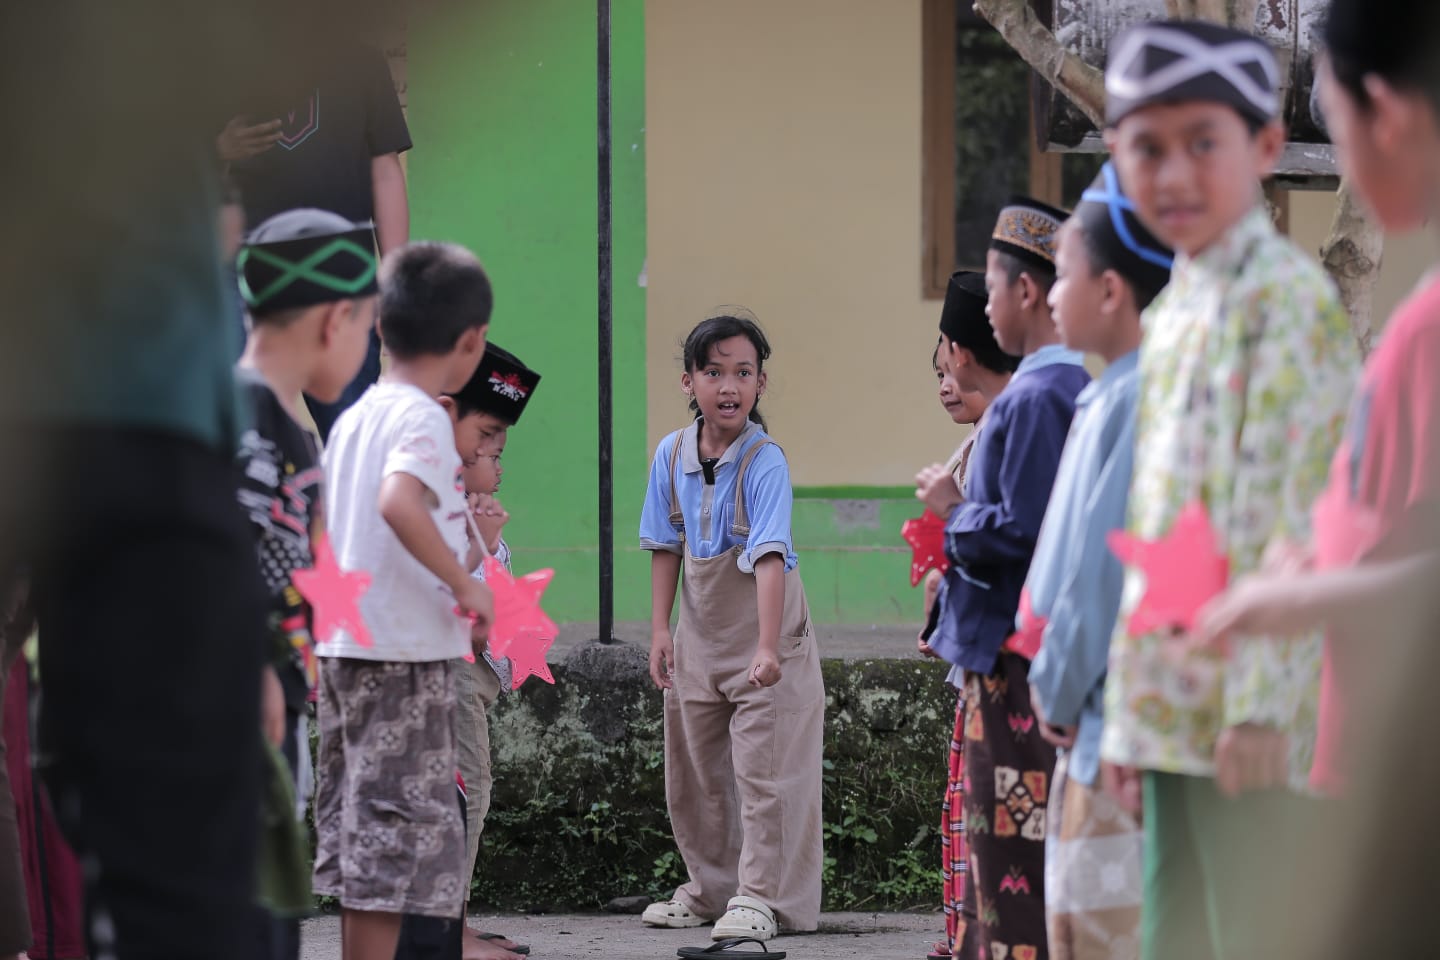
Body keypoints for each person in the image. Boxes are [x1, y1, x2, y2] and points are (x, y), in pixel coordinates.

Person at [1096, 20, 1359, 960]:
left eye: (1202, 143)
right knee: (1174, 937)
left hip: (1250, 714)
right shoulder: (1174, 308)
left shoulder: (1285, 304)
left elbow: (1294, 518)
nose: (1172, 174)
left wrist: (1259, 702)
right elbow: (1156, 528)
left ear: (1264, 146)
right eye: (1146, 147)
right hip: (1171, 707)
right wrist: (1129, 715)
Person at [311, 242, 495, 960]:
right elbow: (397, 503)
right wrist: (464, 582)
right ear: (471, 341)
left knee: (369, 848)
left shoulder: (356, 415)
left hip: (347, 649)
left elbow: (335, 522)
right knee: (401, 841)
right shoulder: (420, 417)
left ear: (379, 327)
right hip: (399, 658)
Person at [918, 199, 1090, 960]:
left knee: (1012, 864)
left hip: (1015, 667)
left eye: (991, 289)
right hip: (1011, 662)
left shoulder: (1037, 397)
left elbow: (1022, 529)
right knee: (998, 857)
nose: (986, 310)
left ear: (1026, 293)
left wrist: (953, 514)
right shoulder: (1051, 392)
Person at [1021, 164, 1173, 960]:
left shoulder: (1131, 400)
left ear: (1111, 290)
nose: (1049, 292)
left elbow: (1098, 573)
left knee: (1093, 935)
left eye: (1065, 273)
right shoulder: (1114, 391)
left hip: (1102, 723)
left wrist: (1058, 681)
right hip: (1096, 715)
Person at [639, 314, 825, 943]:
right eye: (713, 371)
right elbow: (666, 545)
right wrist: (661, 631)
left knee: (765, 772)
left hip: (765, 635)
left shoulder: (765, 460)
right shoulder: (670, 455)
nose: (728, 385)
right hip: (699, 634)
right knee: (696, 773)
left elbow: (770, 556)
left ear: (761, 383)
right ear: (688, 381)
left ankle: (760, 897)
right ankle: (710, 889)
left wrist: (769, 648)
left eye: (743, 372)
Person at [233, 207, 380, 958]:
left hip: (280, 691)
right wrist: (256, 661)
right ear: (335, 319)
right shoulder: (250, 411)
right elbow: (225, 543)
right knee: (254, 901)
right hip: (242, 698)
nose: (365, 352)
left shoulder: (285, 418)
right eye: (366, 330)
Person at [220, 36, 413, 440]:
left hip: (341, 276)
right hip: (243, 278)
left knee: (354, 436)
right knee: (245, 434)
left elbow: (385, 171)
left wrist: (395, 282)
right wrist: (219, 149)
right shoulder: (218, 53)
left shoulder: (360, 56)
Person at [917, 289, 1017, 960]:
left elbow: (1005, 540)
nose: (946, 385)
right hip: (976, 648)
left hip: (997, 651)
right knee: (965, 802)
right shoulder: (988, 435)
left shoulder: (1009, 427)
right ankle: (964, 934)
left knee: (980, 805)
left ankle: (974, 937)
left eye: (948, 368)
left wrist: (954, 513)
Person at [443, 343, 541, 960]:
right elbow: (456, 590)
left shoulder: (470, 508)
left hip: (470, 675)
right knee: (464, 793)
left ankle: (455, 921)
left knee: (467, 793)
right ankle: (446, 930)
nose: (494, 459)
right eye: (487, 440)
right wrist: (484, 545)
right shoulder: (434, 500)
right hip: (449, 669)